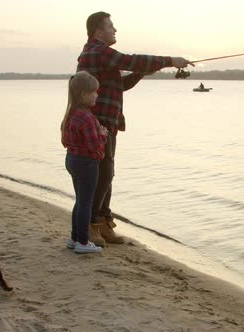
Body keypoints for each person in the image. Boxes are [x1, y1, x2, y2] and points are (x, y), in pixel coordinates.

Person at [76, 11, 193, 245]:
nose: (115, 30)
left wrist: (140, 73)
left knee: (106, 175)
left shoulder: (101, 55)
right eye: (111, 26)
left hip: (108, 124)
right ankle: (90, 227)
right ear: (99, 31)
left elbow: (120, 84)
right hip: (97, 125)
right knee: (103, 174)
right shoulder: (97, 52)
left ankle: (104, 224)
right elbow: (130, 59)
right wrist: (170, 60)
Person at [61, 71, 108, 254]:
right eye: (94, 92)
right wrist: (103, 135)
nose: (97, 95)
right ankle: (82, 241)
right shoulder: (86, 117)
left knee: (80, 201)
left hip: (72, 159)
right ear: (83, 94)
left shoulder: (70, 114)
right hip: (86, 163)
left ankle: (74, 238)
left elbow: (65, 141)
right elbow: (93, 145)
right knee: (86, 203)